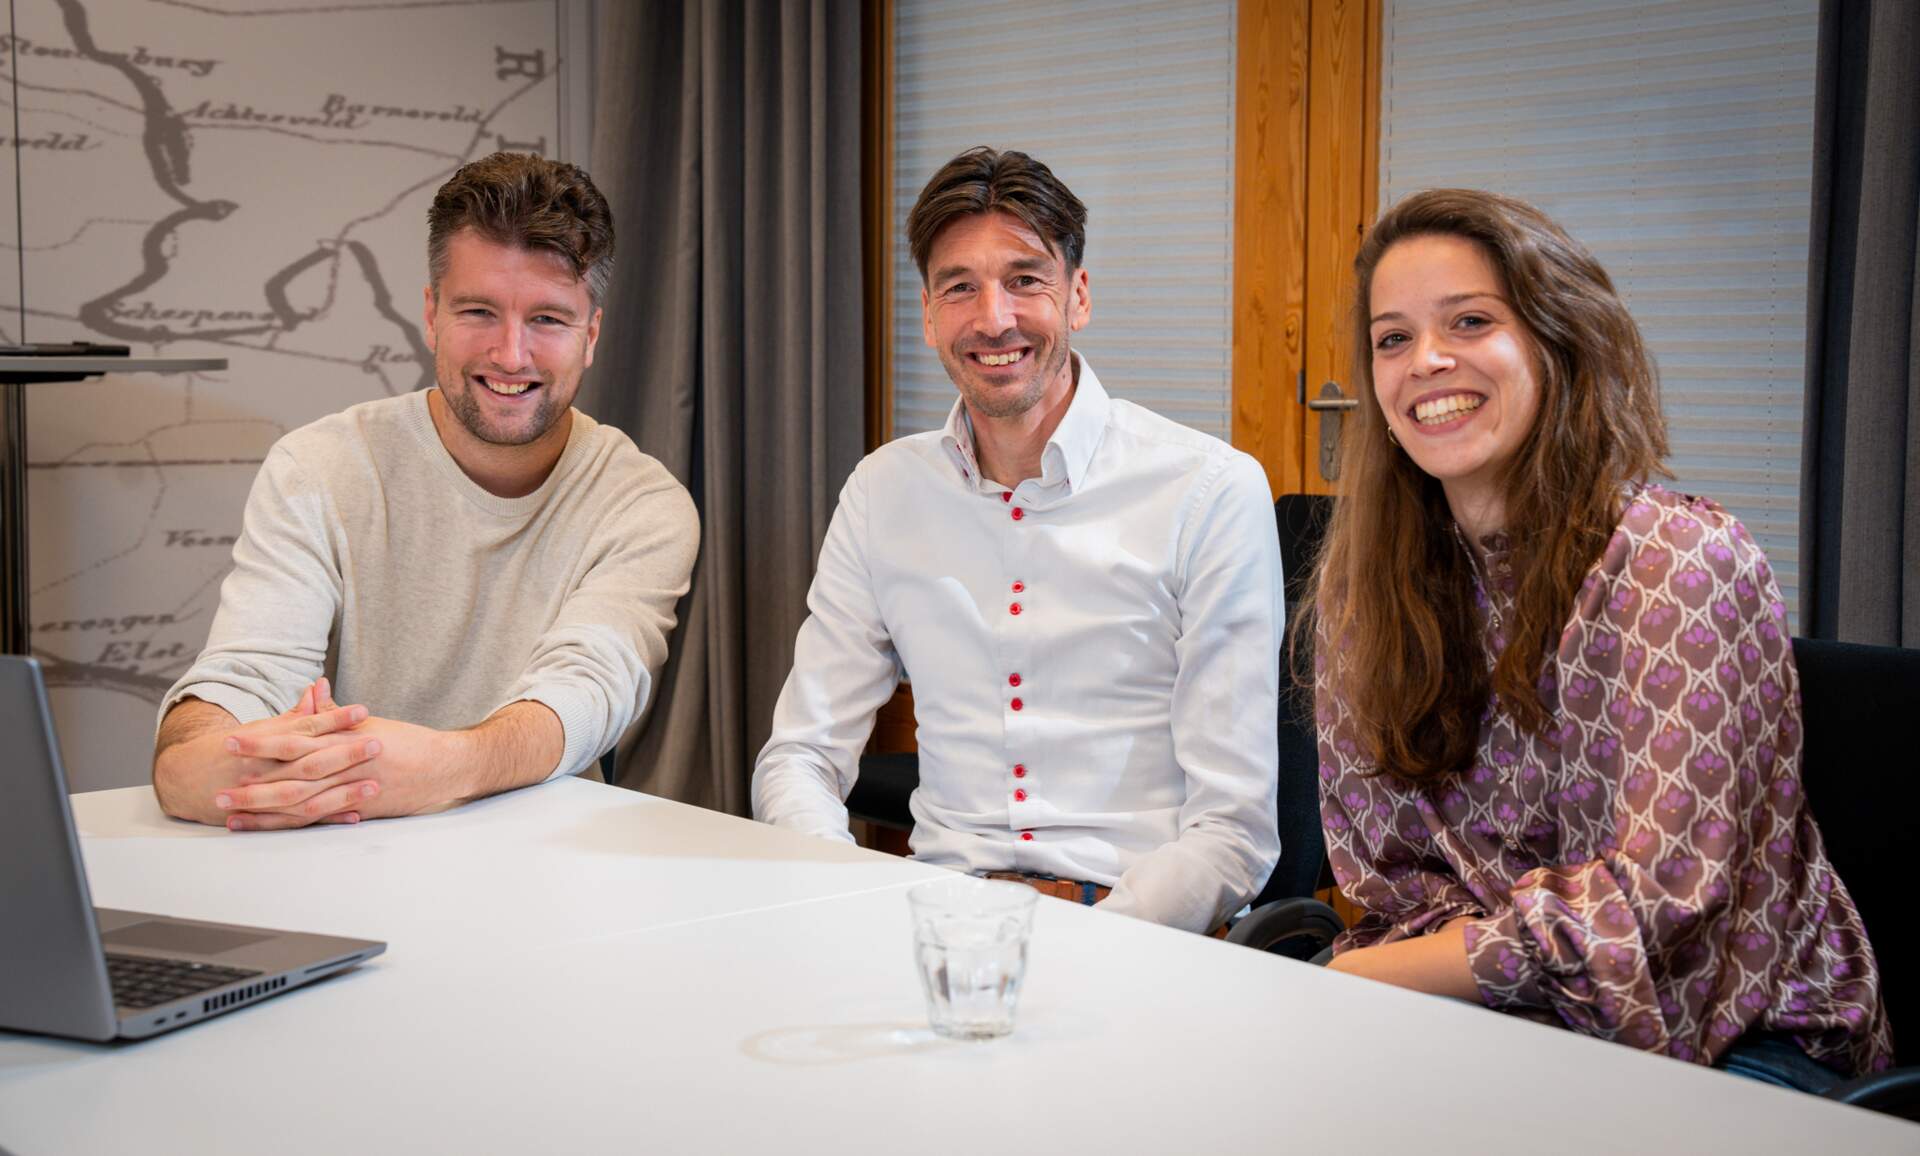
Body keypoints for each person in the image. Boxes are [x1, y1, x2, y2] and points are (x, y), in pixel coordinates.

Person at [1308, 187, 1891, 1084]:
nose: (1425, 360)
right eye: (1392, 337)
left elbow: (1656, 904)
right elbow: (1389, 876)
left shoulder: (1679, 559)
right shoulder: (1367, 589)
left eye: (1468, 321)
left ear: (1557, 339)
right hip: (1488, 1018)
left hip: (1730, 1032)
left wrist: (1350, 980)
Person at [752, 147, 1283, 935]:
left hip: (1137, 930)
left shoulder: (1209, 491)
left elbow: (1233, 831)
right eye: (959, 287)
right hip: (934, 917)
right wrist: (847, 910)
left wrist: (1088, 947)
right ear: (930, 315)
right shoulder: (882, 492)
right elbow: (799, 757)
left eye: (1025, 279)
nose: (993, 318)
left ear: (1078, 296)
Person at [151, 152, 698, 832]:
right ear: (431, 312)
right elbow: (245, 676)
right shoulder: (318, 467)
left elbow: (586, 692)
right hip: (335, 850)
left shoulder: (644, 505)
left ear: (590, 336)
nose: (511, 354)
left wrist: (449, 766)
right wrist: (191, 761)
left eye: (549, 321)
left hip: (545, 863)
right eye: (479, 311)